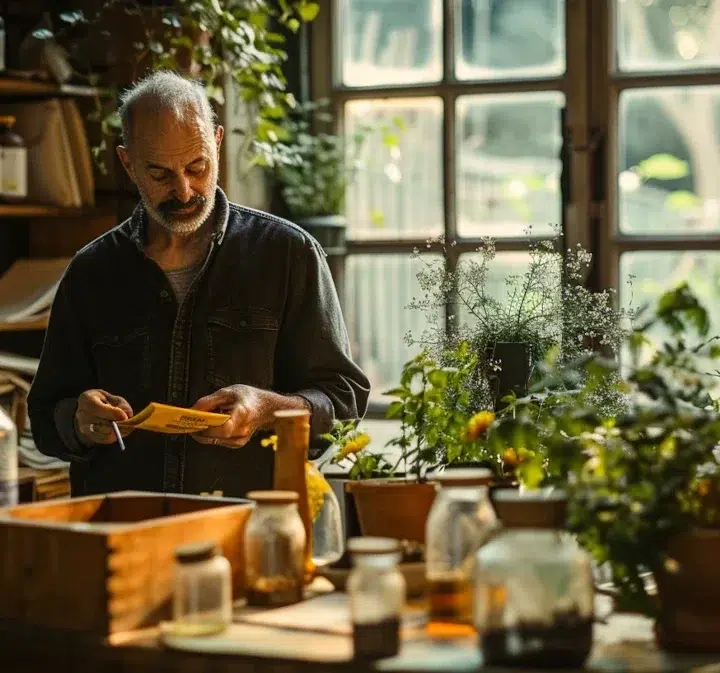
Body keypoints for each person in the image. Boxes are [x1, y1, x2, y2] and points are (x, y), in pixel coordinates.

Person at [27, 70, 370, 498]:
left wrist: (266, 409)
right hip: (123, 535)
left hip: (246, 530)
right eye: (160, 174)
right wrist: (78, 419)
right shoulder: (91, 272)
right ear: (128, 163)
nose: (185, 190)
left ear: (219, 142)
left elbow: (342, 402)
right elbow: (43, 418)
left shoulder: (288, 254)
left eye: (197, 166)